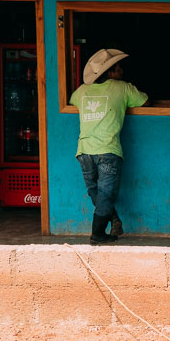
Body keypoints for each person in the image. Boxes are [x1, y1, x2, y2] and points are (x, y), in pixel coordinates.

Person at [69, 49, 148, 245]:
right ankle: (97, 233)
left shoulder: (81, 91)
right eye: (117, 68)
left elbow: (71, 103)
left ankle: (113, 220)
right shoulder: (122, 88)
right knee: (106, 194)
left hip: (84, 151)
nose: (121, 71)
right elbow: (145, 101)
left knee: (95, 191)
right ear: (109, 73)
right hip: (108, 150)